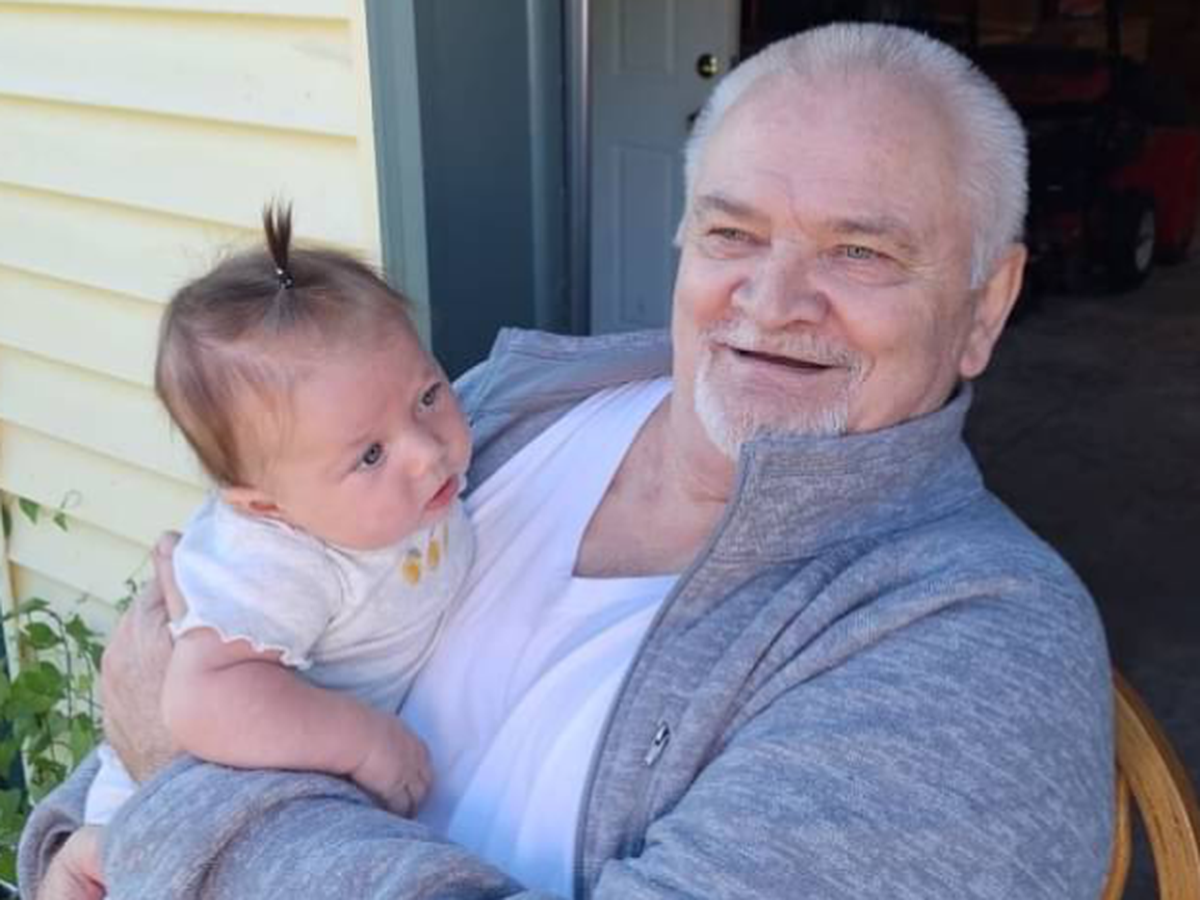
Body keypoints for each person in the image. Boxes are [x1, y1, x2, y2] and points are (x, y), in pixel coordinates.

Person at [22, 22, 1114, 899]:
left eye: (861, 250)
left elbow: (161, 722)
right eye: (732, 233)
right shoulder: (505, 410)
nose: (774, 301)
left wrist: (179, 790)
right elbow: (221, 623)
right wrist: (78, 842)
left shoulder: (977, 639)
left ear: (987, 303)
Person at [82, 203, 474, 829]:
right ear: (268, 506)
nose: (428, 451)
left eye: (428, 395)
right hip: (158, 814)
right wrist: (361, 740)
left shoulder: (385, 487)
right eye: (371, 455)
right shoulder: (278, 563)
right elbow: (200, 702)